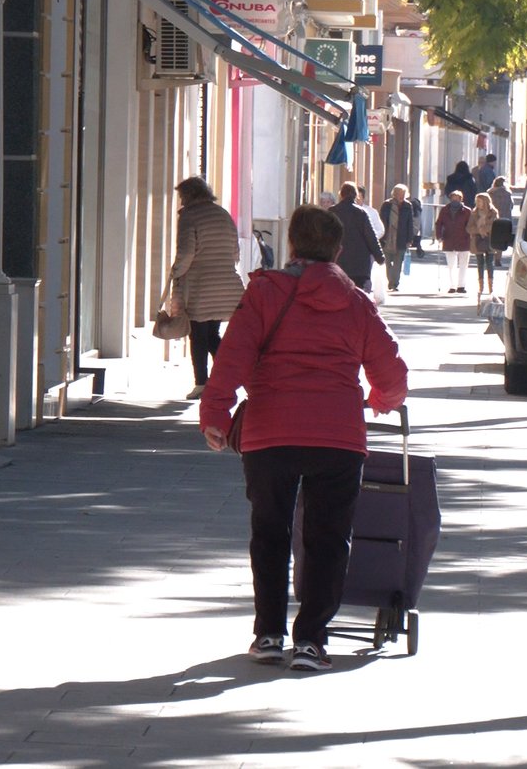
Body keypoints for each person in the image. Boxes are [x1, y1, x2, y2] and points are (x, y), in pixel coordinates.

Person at [199, 204, 409, 672]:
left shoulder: (264, 294)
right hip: (337, 436)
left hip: (270, 432)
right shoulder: (356, 302)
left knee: (269, 533)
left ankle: (269, 634)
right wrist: (377, 400)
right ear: (337, 249)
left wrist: (216, 412)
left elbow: (232, 356)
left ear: (291, 245)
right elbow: (392, 374)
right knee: (328, 539)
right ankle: (312, 640)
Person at [169, 176, 246, 400]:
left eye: (182, 195)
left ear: (189, 194)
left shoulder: (189, 217)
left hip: (201, 285)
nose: (181, 200)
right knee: (213, 334)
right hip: (226, 284)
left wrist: (175, 272)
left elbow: (186, 253)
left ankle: (202, 383)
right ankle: (231, 375)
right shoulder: (222, 214)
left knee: (198, 335)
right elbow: (235, 252)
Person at [329, 181, 385, 292]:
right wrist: (380, 257)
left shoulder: (332, 212)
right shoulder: (361, 213)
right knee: (357, 293)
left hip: (338, 260)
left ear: (341, 194)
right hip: (359, 264)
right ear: (355, 195)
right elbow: (371, 237)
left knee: (338, 291)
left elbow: (324, 235)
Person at [378, 184, 417, 293]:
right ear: (394, 194)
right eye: (399, 194)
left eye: (403, 194)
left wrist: (410, 239)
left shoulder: (407, 206)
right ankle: (391, 280)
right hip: (387, 238)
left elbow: (410, 223)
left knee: (398, 262)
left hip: (401, 238)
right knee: (388, 262)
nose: (401, 196)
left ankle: (394, 283)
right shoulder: (386, 205)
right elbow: (381, 221)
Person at [435, 190, 473, 293]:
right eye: (453, 198)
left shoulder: (467, 211)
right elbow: (439, 224)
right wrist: (439, 236)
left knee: (463, 265)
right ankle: (452, 286)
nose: (455, 200)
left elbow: (471, 225)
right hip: (449, 240)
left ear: (461, 199)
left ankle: (461, 286)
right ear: (450, 199)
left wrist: (470, 235)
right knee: (451, 265)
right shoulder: (445, 210)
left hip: (464, 240)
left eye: (457, 198)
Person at [468, 191, 499, 296]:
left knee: (490, 263)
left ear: (485, 202)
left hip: (490, 240)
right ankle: (481, 287)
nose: (478, 203)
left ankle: (491, 287)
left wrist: (484, 229)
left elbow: (495, 225)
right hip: (477, 241)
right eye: (477, 201)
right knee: (480, 263)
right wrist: (478, 231)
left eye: (480, 201)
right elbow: (469, 228)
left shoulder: (493, 212)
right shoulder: (474, 213)